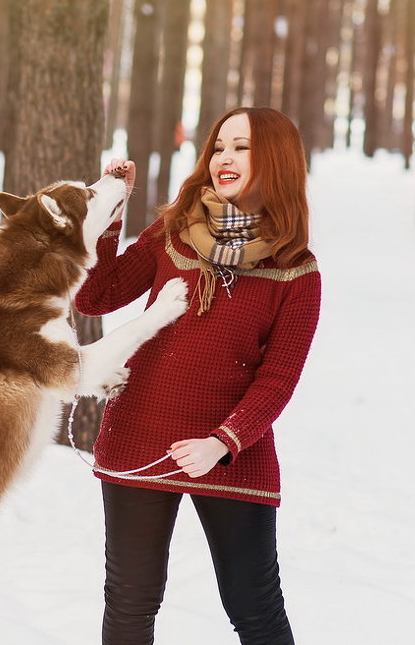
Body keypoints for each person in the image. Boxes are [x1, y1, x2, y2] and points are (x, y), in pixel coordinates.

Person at [76, 107, 321, 645]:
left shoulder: (297, 269)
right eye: (218, 147)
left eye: (242, 147)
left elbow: (278, 377)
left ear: (276, 161)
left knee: (255, 609)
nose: (224, 159)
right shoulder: (174, 232)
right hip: (141, 432)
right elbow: (96, 294)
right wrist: (111, 211)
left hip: (234, 450)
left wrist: (221, 443)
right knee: (131, 603)